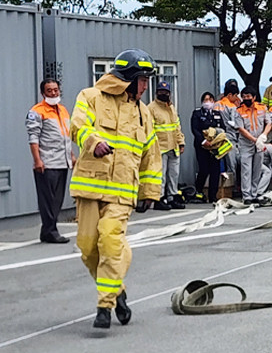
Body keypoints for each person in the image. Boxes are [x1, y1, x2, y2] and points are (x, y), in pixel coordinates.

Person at [70, 49, 162, 329]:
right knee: (88, 248)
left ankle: (105, 306)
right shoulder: (90, 97)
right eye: (143, 80)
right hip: (90, 187)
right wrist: (93, 142)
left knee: (110, 240)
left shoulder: (144, 114)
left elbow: (151, 156)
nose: (145, 86)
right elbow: (78, 126)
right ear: (128, 79)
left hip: (122, 192)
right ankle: (117, 290)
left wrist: (150, 192)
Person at [26, 78, 73, 243]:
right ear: (43, 93)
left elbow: (66, 137)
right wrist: (37, 160)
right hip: (47, 162)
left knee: (57, 199)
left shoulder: (63, 110)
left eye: (55, 90)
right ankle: (51, 231)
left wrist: (71, 156)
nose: (53, 93)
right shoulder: (37, 111)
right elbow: (33, 138)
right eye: (49, 90)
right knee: (48, 200)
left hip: (62, 161)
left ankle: (47, 231)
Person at [147, 81, 186, 210]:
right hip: (160, 147)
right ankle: (159, 198)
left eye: (166, 92)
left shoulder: (171, 108)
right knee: (161, 175)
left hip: (173, 146)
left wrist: (181, 142)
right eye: (161, 92)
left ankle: (172, 197)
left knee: (174, 174)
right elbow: (149, 129)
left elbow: (177, 126)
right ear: (156, 92)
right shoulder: (151, 108)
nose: (163, 94)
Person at [235, 86, 272, 205]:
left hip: (259, 143)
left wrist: (264, 135)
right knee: (246, 170)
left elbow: (269, 123)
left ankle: (254, 193)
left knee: (257, 168)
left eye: (248, 96)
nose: (246, 99)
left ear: (254, 97)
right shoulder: (239, 111)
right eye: (244, 97)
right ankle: (247, 196)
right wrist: (254, 139)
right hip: (246, 144)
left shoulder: (262, 108)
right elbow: (241, 129)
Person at [190, 92, 226, 203]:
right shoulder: (197, 113)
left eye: (210, 100)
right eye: (206, 100)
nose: (208, 102)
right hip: (202, 146)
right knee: (204, 169)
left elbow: (223, 128)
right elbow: (195, 129)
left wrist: (218, 140)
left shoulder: (217, 114)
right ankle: (199, 191)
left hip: (215, 147)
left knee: (215, 171)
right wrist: (203, 141)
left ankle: (213, 196)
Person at [214, 79, 241, 192]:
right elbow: (235, 124)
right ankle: (232, 188)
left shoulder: (216, 104)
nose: (236, 98)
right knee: (232, 164)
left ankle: (220, 188)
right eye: (235, 96)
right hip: (230, 139)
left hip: (217, 139)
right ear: (230, 95)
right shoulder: (232, 106)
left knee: (220, 163)